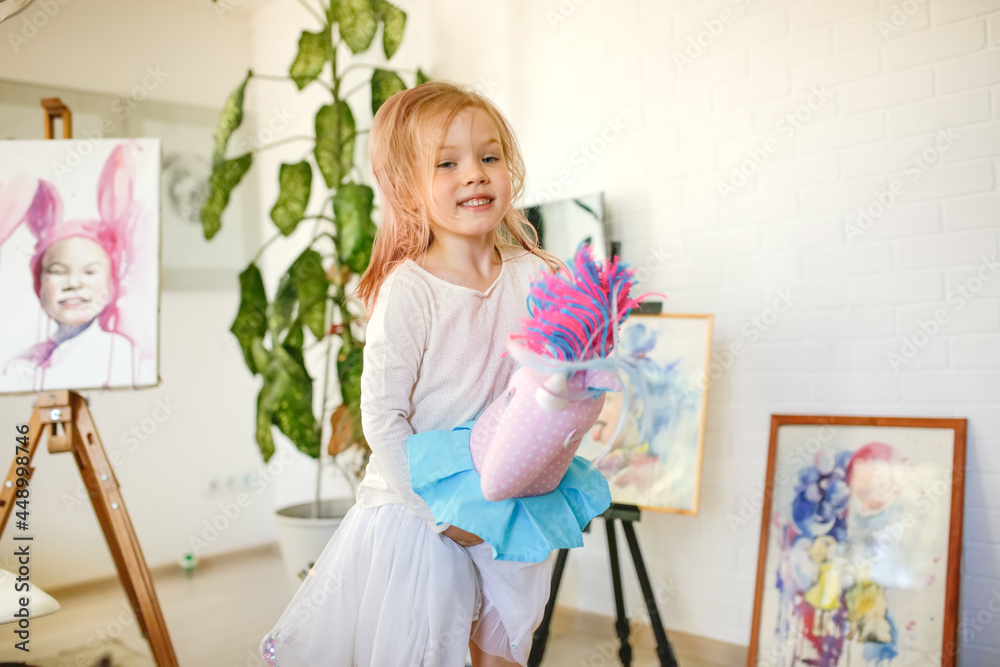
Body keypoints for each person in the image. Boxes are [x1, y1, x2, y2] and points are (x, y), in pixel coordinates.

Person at [261, 82, 563, 666]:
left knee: (502, 652)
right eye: (447, 163)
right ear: (407, 188)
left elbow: (556, 372)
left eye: (490, 156)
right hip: (421, 514)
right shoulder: (410, 289)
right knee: (431, 652)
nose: (475, 174)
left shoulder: (534, 274)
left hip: (502, 500)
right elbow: (382, 415)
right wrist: (443, 518)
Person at [0, 143, 154, 392]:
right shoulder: (23, 363)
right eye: (58, 272)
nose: (73, 283)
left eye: (90, 272)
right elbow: (22, 433)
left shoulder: (118, 354)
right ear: (38, 285)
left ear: (111, 283)